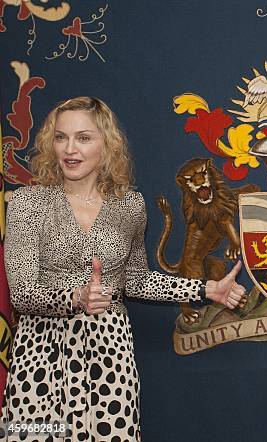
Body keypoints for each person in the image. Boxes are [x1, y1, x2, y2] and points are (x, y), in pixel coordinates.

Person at [2, 96, 246, 441]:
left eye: (83, 138)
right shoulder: (28, 203)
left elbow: (136, 281)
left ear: (107, 143)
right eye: (61, 137)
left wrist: (205, 289)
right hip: (41, 356)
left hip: (108, 354)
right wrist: (75, 297)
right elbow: (22, 294)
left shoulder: (130, 205)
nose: (70, 149)